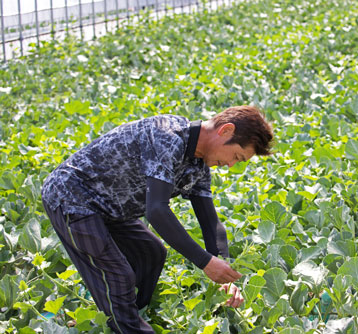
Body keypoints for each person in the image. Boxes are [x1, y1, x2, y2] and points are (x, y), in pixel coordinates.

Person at [41, 105, 274, 333]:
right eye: (235, 156)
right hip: (72, 198)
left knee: (151, 252)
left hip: (110, 209)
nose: (231, 164)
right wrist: (205, 262)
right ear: (225, 130)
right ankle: (126, 324)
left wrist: (225, 276)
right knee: (119, 277)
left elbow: (210, 222)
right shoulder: (168, 135)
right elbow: (157, 211)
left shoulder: (199, 165)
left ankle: (128, 316)